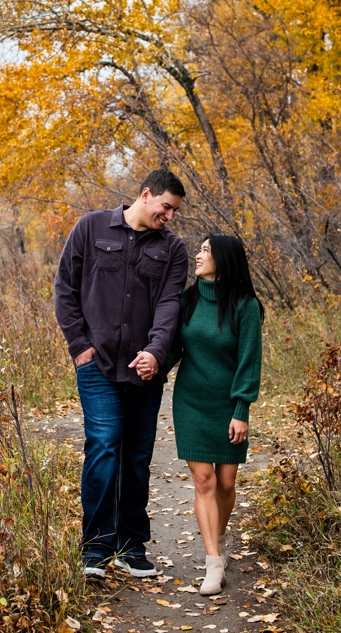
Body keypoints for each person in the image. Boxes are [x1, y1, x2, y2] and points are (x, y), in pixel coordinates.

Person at [54, 168, 191, 579]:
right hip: (97, 366)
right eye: (165, 207)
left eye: (174, 212)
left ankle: (132, 547)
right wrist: (80, 348)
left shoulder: (173, 249)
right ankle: (96, 548)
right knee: (104, 446)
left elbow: (170, 305)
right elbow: (65, 289)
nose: (169, 216)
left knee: (136, 456)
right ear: (146, 195)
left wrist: (156, 352)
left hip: (145, 372)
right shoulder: (91, 228)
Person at [163, 234, 264, 596]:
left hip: (227, 405)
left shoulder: (245, 305)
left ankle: (219, 537)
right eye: (200, 249)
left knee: (225, 483)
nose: (198, 254)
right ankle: (213, 562)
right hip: (191, 401)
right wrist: (152, 366)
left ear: (224, 258)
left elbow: (249, 362)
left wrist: (241, 410)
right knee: (204, 481)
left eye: (205, 250)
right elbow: (173, 348)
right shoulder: (186, 300)